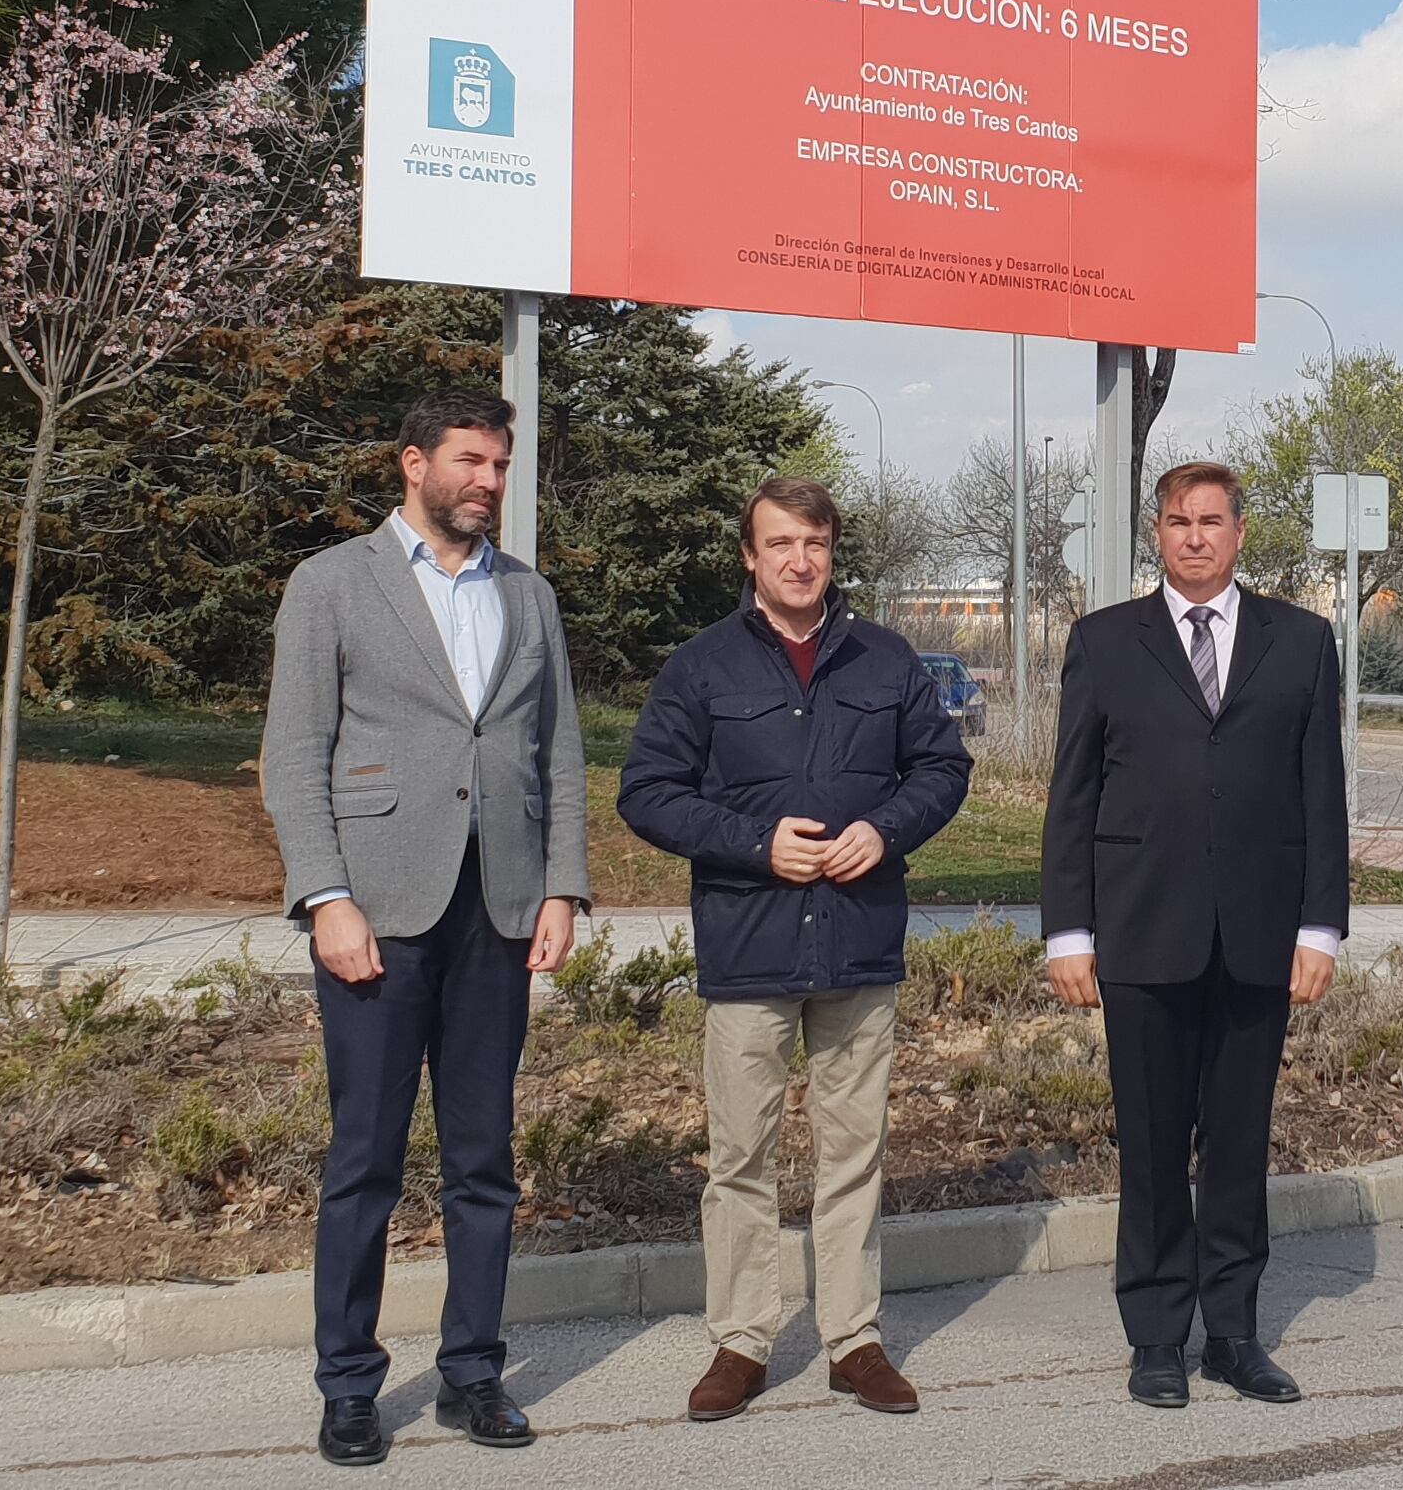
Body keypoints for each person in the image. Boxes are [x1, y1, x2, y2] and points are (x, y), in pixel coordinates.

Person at [262, 392, 591, 1467]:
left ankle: (472, 1374)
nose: (489, 481)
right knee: (364, 1157)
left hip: (497, 908)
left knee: (483, 1157)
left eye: (500, 463)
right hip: (379, 910)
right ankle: (349, 1384)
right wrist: (326, 897)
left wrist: (561, 888)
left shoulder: (529, 596)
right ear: (414, 464)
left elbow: (559, 755)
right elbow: (294, 754)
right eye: (470, 461)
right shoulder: (332, 585)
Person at [619, 475, 969, 1423]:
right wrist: (753, 841)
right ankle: (740, 1341)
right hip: (750, 946)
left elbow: (944, 767)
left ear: (831, 551)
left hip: (857, 947)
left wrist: (887, 830)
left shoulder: (886, 661)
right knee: (742, 1159)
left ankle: (853, 1340)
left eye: (813, 543)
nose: (799, 560)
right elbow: (646, 791)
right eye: (779, 544)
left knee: (854, 1154)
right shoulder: (701, 668)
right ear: (750, 556)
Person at [1040, 460, 1350, 1409]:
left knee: (1239, 1146)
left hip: (1260, 935)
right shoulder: (1103, 642)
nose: (1195, 538)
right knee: (1151, 1143)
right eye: (1178, 522)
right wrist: (1068, 934)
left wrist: (1320, 928)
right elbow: (1073, 797)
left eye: (1212, 521)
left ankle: (1235, 1334)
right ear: (1156, 532)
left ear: (1241, 532)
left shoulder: (1301, 642)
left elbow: (1321, 796)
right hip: (1140, 932)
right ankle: (1156, 1338)